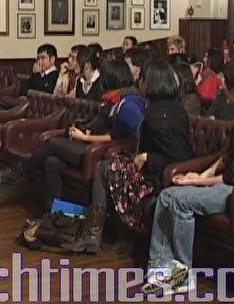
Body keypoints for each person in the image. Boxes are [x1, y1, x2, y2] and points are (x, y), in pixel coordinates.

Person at [142, 61, 234, 296]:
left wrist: (196, 182)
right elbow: (227, 155)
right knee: (167, 196)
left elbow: (233, 177)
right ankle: (160, 269)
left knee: (180, 200)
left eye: (225, 86)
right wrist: (202, 174)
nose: (221, 90)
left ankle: (183, 273)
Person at [0, 60, 144, 210]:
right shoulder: (113, 99)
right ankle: (54, 212)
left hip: (99, 153)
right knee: (51, 162)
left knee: (51, 143)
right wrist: (85, 131)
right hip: (92, 144)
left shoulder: (128, 104)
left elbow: (120, 137)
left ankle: (16, 172)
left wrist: (85, 137)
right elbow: (104, 126)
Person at [78, 60, 194, 254]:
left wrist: (148, 158)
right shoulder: (169, 107)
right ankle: (99, 234)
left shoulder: (158, 114)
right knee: (107, 166)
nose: (139, 83)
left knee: (108, 169)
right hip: (152, 168)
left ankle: (104, 236)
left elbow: (179, 157)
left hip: (159, 176)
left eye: (142, 79)